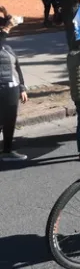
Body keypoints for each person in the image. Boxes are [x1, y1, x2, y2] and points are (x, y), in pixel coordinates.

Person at [0, 9, 28, 161]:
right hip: (1, 87)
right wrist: (7, 27)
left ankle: (7, 151)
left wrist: (22, 88)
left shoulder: (7, 47)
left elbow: (17, 68)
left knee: (10, 120)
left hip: (12, 88)